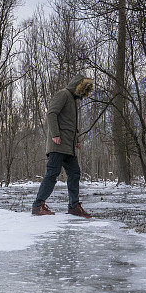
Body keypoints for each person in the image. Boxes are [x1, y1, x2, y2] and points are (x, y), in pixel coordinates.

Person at [32, 73, 94, 218]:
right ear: (77, 85)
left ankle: (73, 206)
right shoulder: (63, 94)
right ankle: (37, 205)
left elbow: (70, 124)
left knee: (74, 173)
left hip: (68, 146)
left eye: (86, 91)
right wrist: (55, 135)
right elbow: (51, 114)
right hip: (58, 144)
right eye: (83, 89)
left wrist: (76, 140)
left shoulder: (73, 100)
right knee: (52, 174)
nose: (84, 93)